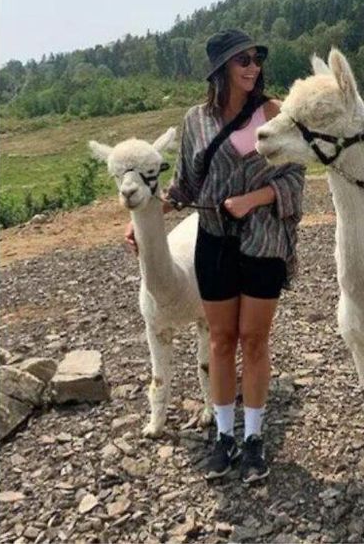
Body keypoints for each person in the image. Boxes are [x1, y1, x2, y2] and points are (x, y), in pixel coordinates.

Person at [126, 29, 305, 483]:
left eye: (256, 58)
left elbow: (294, 182)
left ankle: (254, 439)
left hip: (263, 242)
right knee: (222, 340)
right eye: (242, 60)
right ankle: (224, 436)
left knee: (254, 340)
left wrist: (255, 198)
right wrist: (149, 216)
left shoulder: (274, 114)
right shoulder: (195, 121)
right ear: (221, 69)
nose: (252, 67)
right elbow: (185, 187)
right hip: (214, 241)